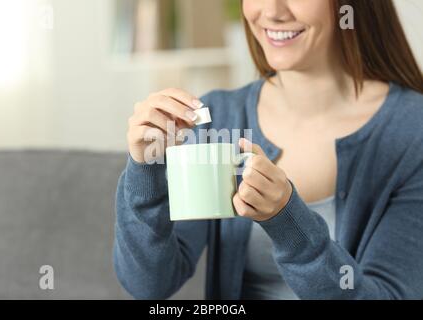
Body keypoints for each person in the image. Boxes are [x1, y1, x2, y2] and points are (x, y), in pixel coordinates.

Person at [113, 0, 423, 299]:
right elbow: (150, 285)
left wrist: (287, 221)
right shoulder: (219, 117)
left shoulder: (412, 131)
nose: (273, 11)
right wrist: (145, 170)